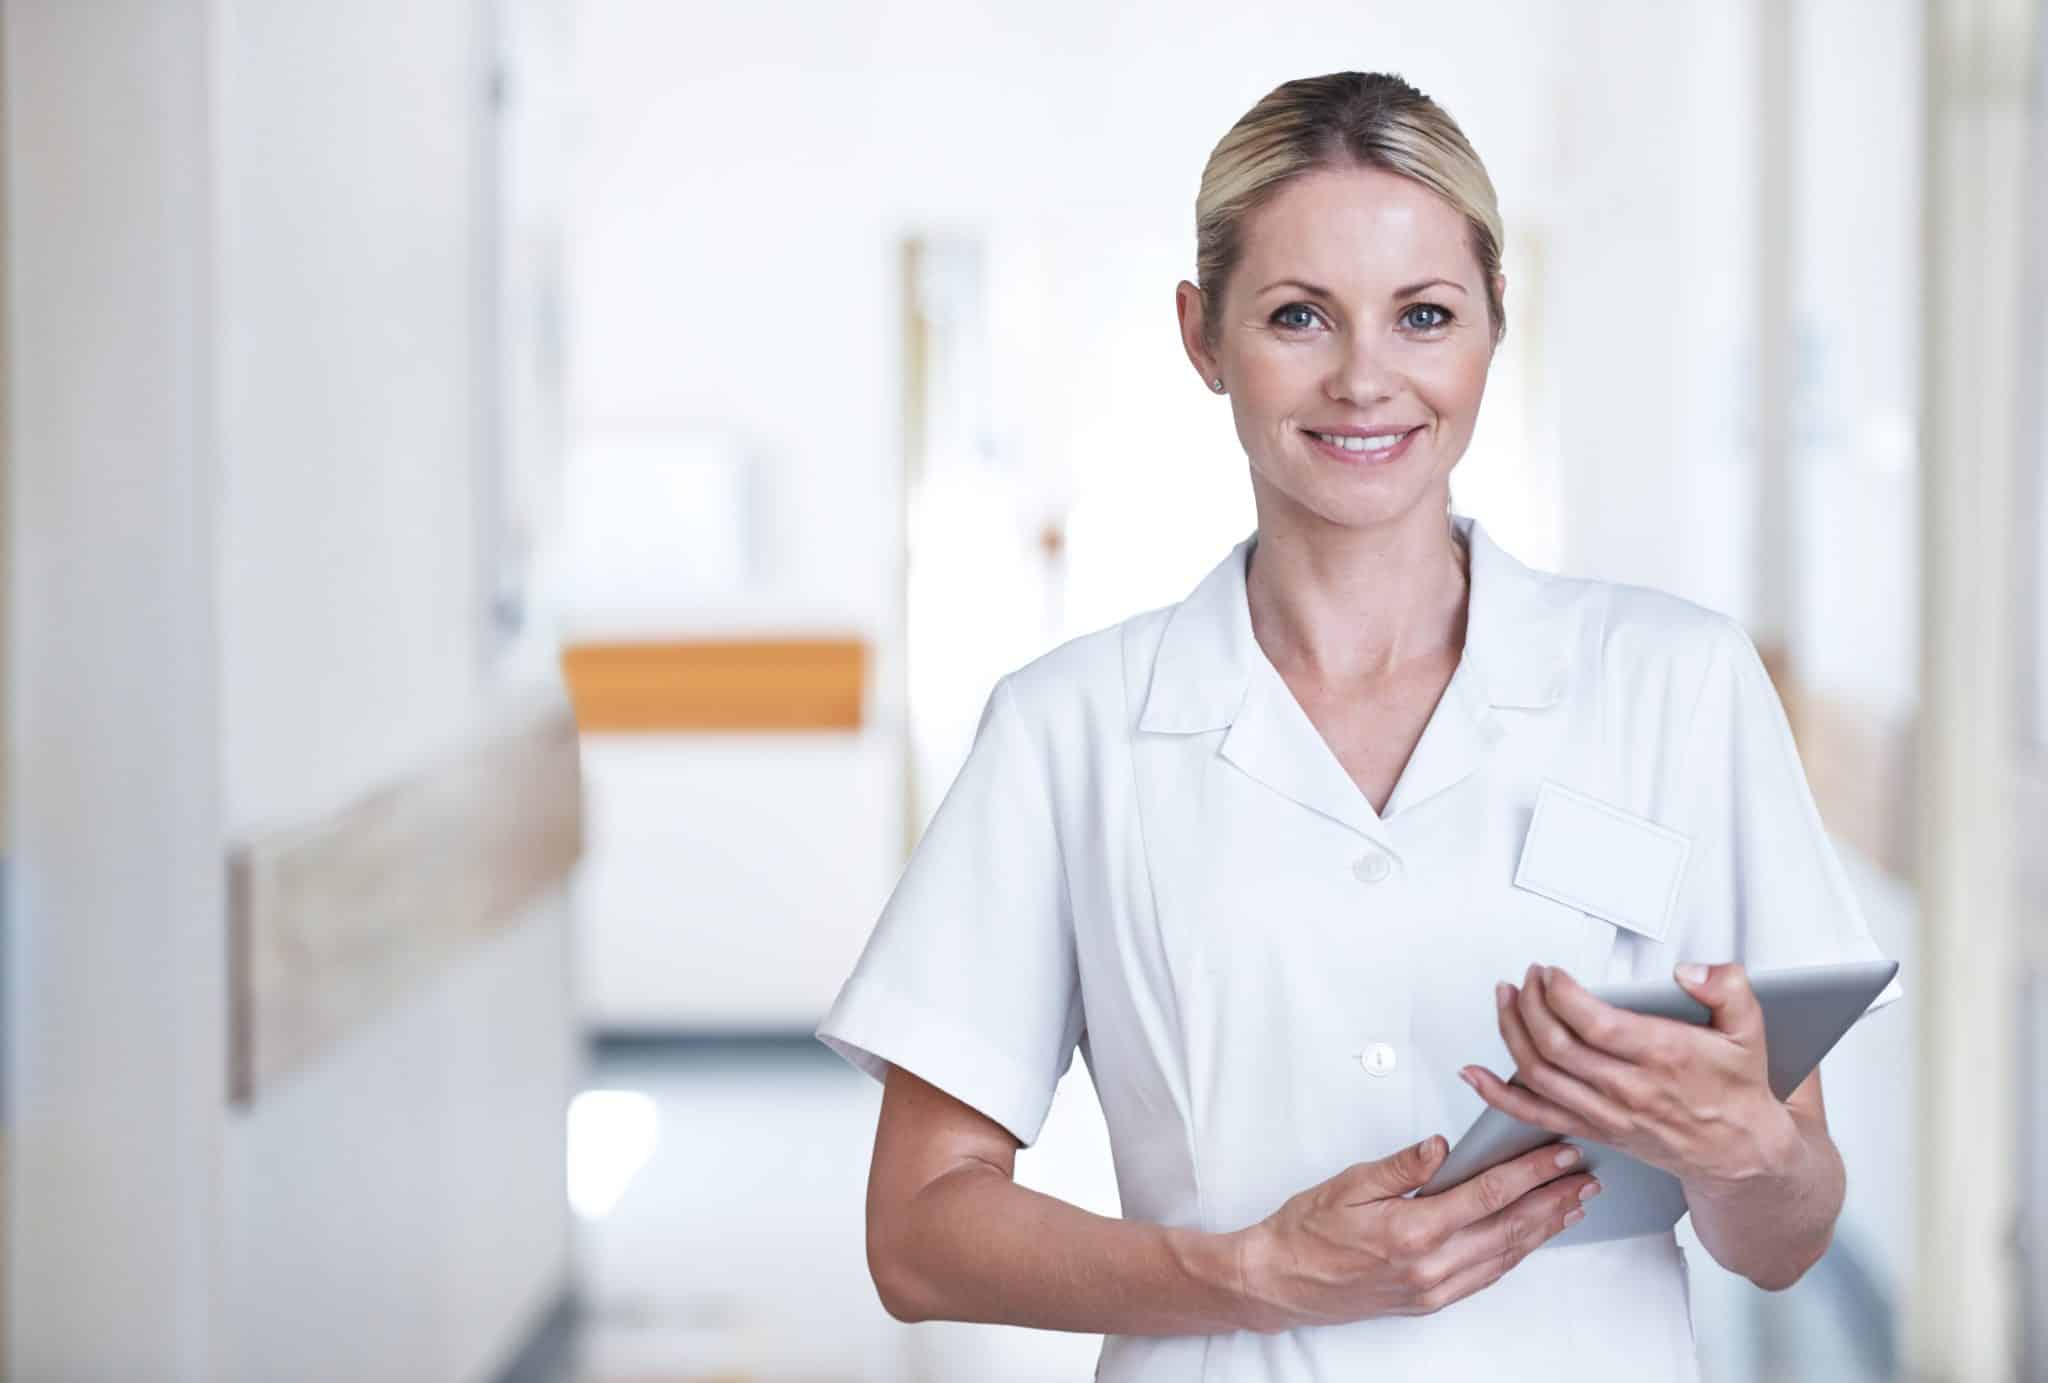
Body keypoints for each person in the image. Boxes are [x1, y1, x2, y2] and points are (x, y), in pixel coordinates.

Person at [814, 70, 1902, 1382]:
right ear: (1202, 335)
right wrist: (1249, 1277)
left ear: (1497, 323)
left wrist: (1749, 1153)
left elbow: (1783, 1239)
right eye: (1297, 317)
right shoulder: (1070, 732)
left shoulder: (1678, 686)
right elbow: (919, 1238)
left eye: (1424, 315)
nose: (1365, 379)